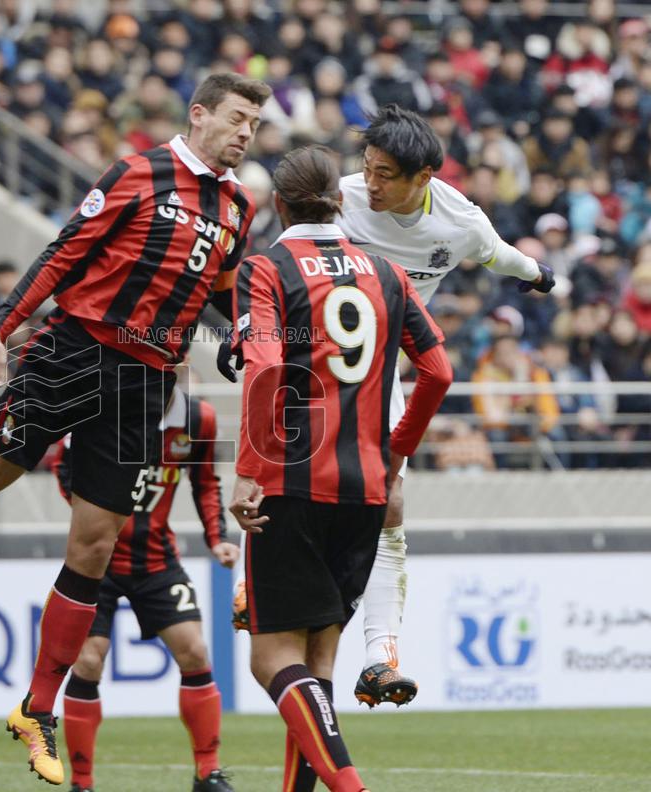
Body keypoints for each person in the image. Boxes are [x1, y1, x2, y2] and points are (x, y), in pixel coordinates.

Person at [0, 72, 270, 786]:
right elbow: (67, 250)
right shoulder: (137, 173)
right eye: (237, 118)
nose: (247, 134)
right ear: (199, 116)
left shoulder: (238, 206)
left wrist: (242, 331)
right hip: (77, 351)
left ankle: (36, 708)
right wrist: (0, 327)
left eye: (255, 123)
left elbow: (220, 289)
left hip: (148, 383)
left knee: (94, 547)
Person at [227, 104, 555, 709]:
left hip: (377, 368)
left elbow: (499, 255)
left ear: (423, 178)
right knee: (280, 470)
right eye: (367, 169)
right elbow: (283, 264)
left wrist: (537, 274)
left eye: (384, 175)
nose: (369, 184)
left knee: (391, 498)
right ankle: (255, 586)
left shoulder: (460, 222)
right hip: (306, 358)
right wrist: (242, 331)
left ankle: (382, 658)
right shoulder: (341, 199)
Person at [229, 145, 452, 792]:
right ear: (341, 199)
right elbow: (438, 371)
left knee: (271, 658)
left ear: (279, 203)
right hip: (367, 491)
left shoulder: (266, 267)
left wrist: (250, 468)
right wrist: (397, 448)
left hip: (292, 483)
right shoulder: (385, 271)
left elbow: (267, 366)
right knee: (317, 670)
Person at [54, 388, 238, 792]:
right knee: (87, 662)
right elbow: (62, 467)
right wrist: (94, 521)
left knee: (195, 651)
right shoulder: (102, 409)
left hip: (156, 560)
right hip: (95, 561)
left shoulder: (197, 420)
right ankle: (82, 783)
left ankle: (208, 773)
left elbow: (206, 482)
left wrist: (217, 538)